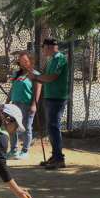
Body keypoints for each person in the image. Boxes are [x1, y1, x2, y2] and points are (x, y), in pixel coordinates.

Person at [26, 38, 69, 170]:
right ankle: (55, 156)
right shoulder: (51, 60)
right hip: (50, 97)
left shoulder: (60, 59)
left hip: (58, 97)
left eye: (43, 47)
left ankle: (59, 159)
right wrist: (35, 75)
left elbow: (52, 77)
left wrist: (37, 78)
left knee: (54, 127)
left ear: (50, 47)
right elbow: (46, 76)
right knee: (51, 127)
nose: (43, 50)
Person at [7, 51, 41, 160]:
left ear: (30, 61)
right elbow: (12, 89)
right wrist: (7, 102)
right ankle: (13, 150)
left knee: (27, 127)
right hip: (15, 105)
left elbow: (37, 91)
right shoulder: (16, 74)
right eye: (21, 61)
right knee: (13, 127)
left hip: (27, 105)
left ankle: (25, 150)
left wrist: (34, 105)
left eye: (26, 61)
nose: (23, 63)